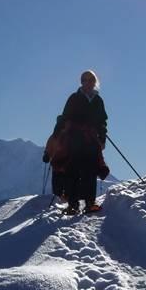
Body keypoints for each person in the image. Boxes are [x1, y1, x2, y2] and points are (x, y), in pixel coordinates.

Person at [58, 70, 108, 215]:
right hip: (74, 139)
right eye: (85, 80)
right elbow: (65, 118)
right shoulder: (74, 98)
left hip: (91, 140)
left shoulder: (98, 101)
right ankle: (73, 205)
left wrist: (102, 138)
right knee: (73, 171)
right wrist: (59, 137)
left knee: (90, 172)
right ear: (81, 82)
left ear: (94, 82)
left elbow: (102, 122)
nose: (87, 83)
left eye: (90, 80)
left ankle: (90, 203)